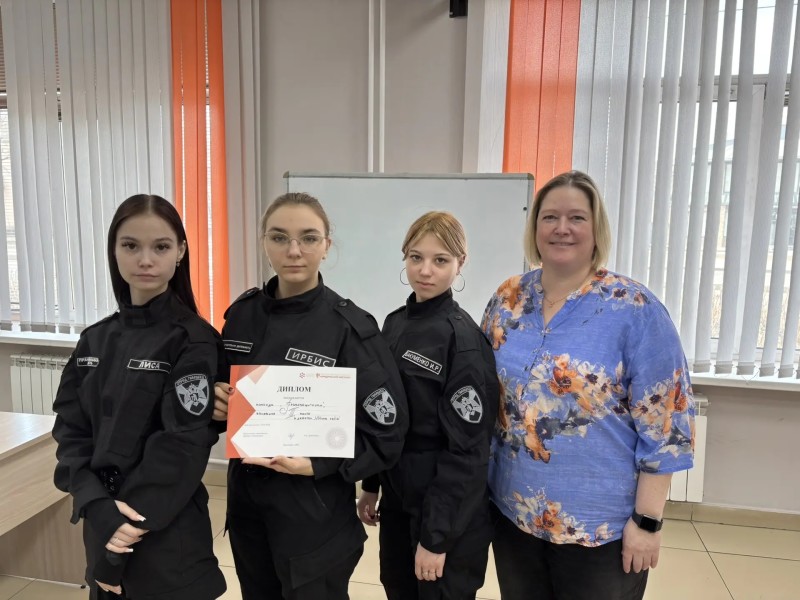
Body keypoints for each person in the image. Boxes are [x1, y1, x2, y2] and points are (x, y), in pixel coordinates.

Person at [481, 171, 695, 600]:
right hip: (513, 516)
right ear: (535, 227)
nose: (562, 228)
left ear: (597, 229)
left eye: (577, 217)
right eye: (550, 217)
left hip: (600, 530)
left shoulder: (634, 308)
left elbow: (667, 428)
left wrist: (648, 523)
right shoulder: (508, 299)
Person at [214, 192, 408, 600]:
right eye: (279, 237)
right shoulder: (241, 316)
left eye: (308, 238)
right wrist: (217, 406)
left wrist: (318, 464)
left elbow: (387, 433)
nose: (294, 250)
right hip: (248, 512)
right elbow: (220, 402)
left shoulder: (349, 329)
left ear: (326, 246)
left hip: (313, 517)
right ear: (264, 243)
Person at [52, 194, 227, 600]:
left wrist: (120, 540)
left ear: (180, 252)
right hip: (102, 519)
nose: (145, 260)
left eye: (160, 247)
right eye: (130, 246)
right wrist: (96, 506)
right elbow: (71, 431)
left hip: (163, 532)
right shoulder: (94, 339)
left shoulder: (194, 340)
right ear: (114, 251)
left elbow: (180, 447)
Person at [357, 211, 499, 600]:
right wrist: (371, 485)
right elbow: (383, 412)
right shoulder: (394, 324)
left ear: (460, 263)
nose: (425, 270)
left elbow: (468, 452)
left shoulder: (463, 340)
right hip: (398, 500)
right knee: (397, 587)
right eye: (416, 257)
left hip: (446, 511)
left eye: (440, 260)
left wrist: (436, 539)